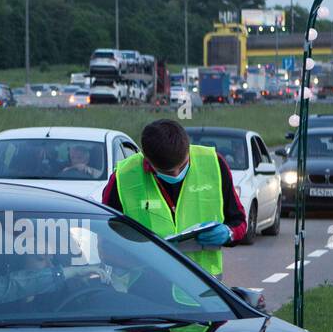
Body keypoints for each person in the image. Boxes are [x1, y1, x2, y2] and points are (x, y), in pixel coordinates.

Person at [102, 118, 247, 279]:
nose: (177, 174)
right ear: (147, 160)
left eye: (184, 166)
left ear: (188, 148)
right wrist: (141, 258)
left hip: (203, 291)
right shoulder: (123, 177)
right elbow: (106, 243)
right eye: (169, 172)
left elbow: (239, 222)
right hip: (145, 290)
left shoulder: (214, 164)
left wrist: (228, 233)